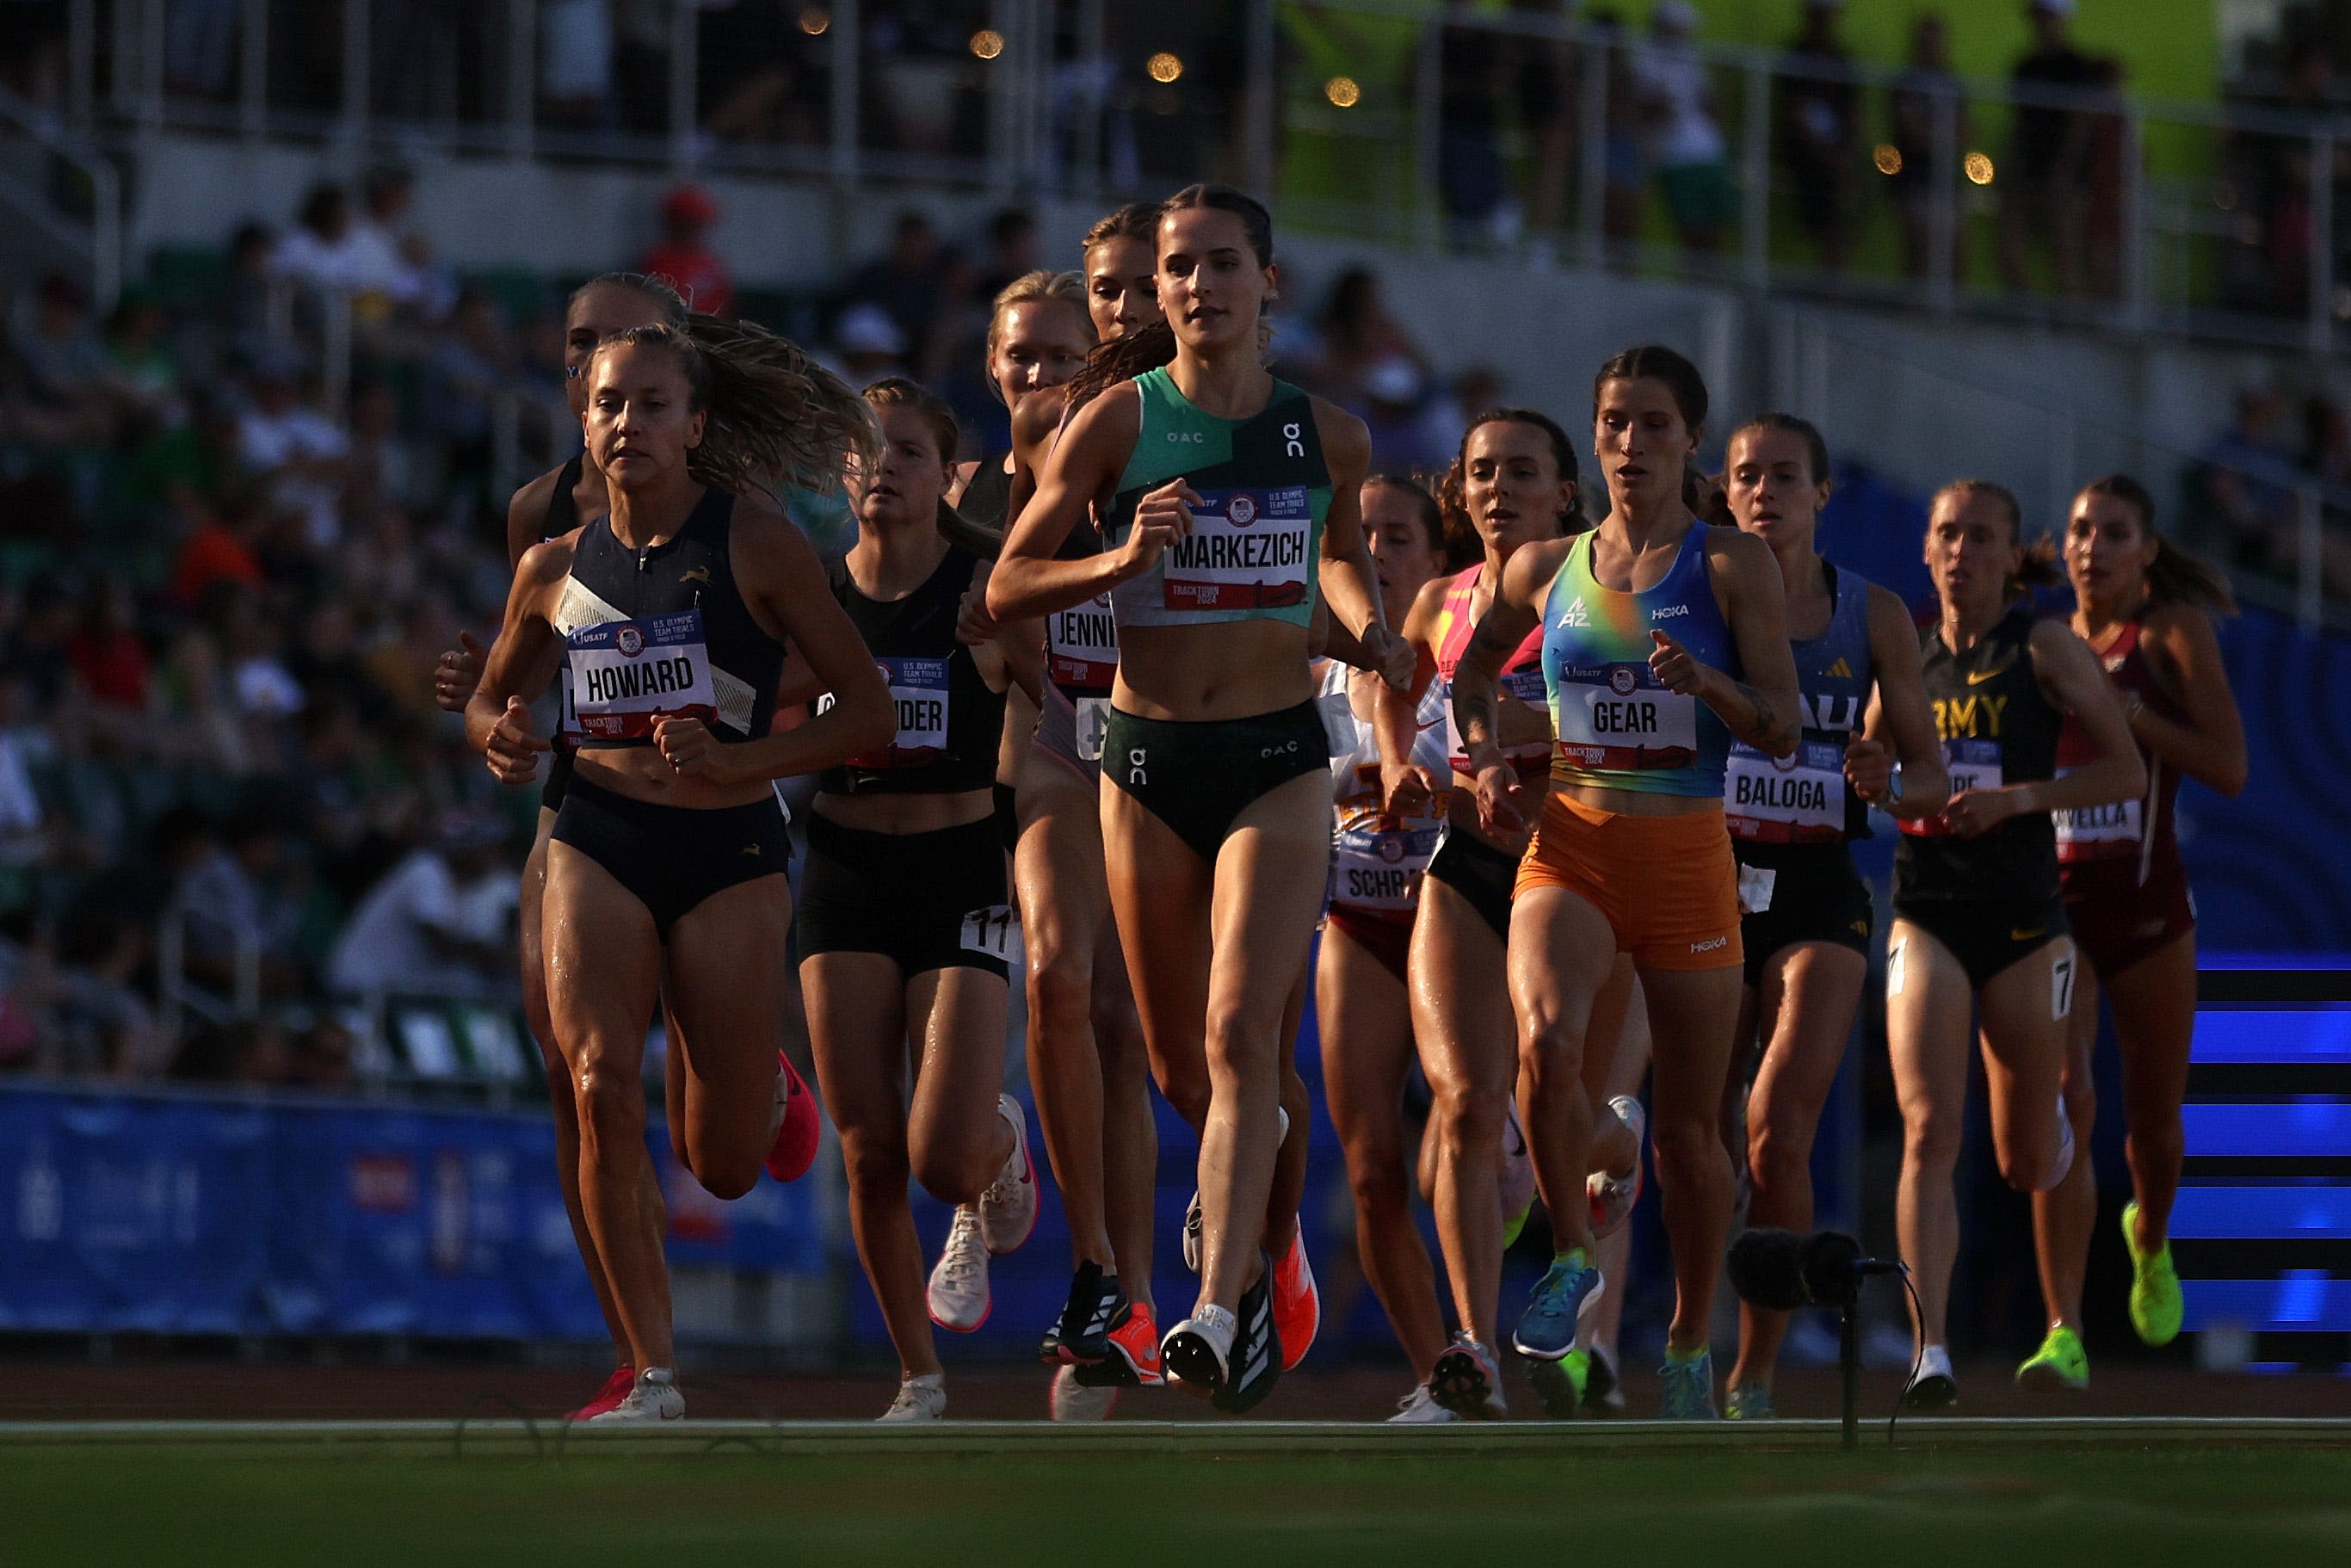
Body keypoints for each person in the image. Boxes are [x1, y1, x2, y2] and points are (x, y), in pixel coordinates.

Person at [991, 184, 1413, 1414]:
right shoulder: (1116, 425)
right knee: (1183, 1067)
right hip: (1144, 764)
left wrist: (1372, 632)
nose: (1197, 285)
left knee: (1242, 1036)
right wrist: (1122, 556)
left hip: (1276, 758)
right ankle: (1270, 1237)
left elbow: (1333, 555)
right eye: (1179, 267)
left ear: (1266, 282)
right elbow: (1014, 579)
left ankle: (1218, 1309)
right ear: (1160, 286)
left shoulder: (1325, 435)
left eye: (1224, 263)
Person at [465, 319, 892, 1423]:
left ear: (696, 425)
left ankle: (766, 1089)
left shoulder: (754, 543)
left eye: (652, 405)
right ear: (584, 419)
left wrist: (741, 756)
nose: (626, 424)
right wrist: (497, 735)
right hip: (596, 832)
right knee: (598, 1079)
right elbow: (493, 694)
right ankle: (652, 1374)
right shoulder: (553, 566)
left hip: (728, 845)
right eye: (608, 404)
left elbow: (868, 712)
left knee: (727, 1160)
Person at [1451, 345, 1801, 1419]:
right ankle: (1568, 1253)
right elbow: (1470, 670)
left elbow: (1783, 731)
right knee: (1546, 1050)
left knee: (1695, 1138)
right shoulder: (1539, 568)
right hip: (1572, 848)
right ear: (1592, 436)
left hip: (1690, 862)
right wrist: (1481, 758)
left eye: (1653, 424)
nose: (1629, 443)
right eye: (1612, 423)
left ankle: (1690, 1338)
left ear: (1689, 439)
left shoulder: (1732, 566)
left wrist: (1711, 687)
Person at [1377, 407, 1645, 1421]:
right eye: (1480, 471)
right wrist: (1400, 764)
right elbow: (1393, 696)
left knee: (1560, 1110)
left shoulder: (1596, 588)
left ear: (1563, 494)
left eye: (1520, 472)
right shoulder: (1441, 602)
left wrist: (1527, 733)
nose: (1495, 488)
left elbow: (1639, 721)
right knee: (1461, 1106)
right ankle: (1470, 1352)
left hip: (1576, 872)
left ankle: (1613, 1145)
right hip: (1466, 867)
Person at [798, 378, 1038, 1423]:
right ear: (840, 470)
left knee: (941, 1157)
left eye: (907, 451)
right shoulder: (807, 596)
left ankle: (997, 1137)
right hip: (844, 875)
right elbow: (758, 717)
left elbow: (1058, 699)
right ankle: (917, 1376)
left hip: (959, 870)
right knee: (866, 1145)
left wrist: (1010, 650)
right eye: (866, 450)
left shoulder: (981, 585)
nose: (883, 467)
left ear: (949, 477)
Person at [1890, 478, 2144, 1410]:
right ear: (1925, 548)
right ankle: (1930, 1350)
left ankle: (2062, 1314)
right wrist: (1877, 777)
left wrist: (2016, 801)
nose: (1960, 551)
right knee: (1926, 1126)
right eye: (1945, 534)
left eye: (1979, 537)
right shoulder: (1904, 651)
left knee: (2027, 1154)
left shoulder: (2040, 645)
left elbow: (2119, 766)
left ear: (2009, 555)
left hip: (2025, 921)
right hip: (1926, 909)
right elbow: (1878, 774)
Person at [1714, 415, 1950, 1418]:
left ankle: (1754, 1370)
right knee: (1694, 1137)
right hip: (1702, 881)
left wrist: (1886, 778)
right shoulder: (1689, 600)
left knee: (1775, 1134)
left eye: (1783, 477)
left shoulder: (1875, 614)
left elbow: (1929, 775)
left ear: (1822, 495)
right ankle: (1679, 1333)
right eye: (1744, 477)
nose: (1763, 493)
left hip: (1817, 888)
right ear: (1722, 496)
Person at [995, 207, 1170, 1423]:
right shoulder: (979, 481)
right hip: (1060, 746)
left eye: (1065, 352)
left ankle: (1150, 1288)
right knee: (1060, 984)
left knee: (1138, 1031)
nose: (1048, 374)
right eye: (1024, 359)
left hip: (1179, 748)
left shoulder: (1179, 430)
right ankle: (1099, 1282)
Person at [2026, 475, 2245, 1390]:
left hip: (2151, 910)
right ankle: (2061, 1328)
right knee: (2064, 1102)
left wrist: (2135, 718)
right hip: (2056, 912)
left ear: (2145, 550)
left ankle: (2148, 1239)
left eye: (2113, 533)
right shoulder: (2036, 642)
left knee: (2151, 1125)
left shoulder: (2166, 635)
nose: (2091, 548)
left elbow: (2227, 767)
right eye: (2079, 530)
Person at [1316, 474, 1459, 1417]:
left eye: (1396, 535)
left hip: (1460, 923)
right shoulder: (1309, 668)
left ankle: (1572, 1143)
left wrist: (1437, 787)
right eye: (1358, 535)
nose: (1374, 551)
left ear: (1437, 561)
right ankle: (1439, 1374)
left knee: (1462, 1144)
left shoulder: (1470, 660)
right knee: (1369, 1168)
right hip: (1358, 920)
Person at [1997, 0, 2099, 298]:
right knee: (2009, 244)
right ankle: (2028, 312)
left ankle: (2070, 321)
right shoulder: (2025, 67)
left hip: (2067, 178)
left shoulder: (2079, 67)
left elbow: (2082, 122)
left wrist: (2065, 168)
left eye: (2047, 16)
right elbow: (2019, 122)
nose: (2041, 24)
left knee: (2066, 250)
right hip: (2028, 172)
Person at [1777, 2, 1859, 275]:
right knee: (1828, 221)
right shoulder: (1795, 58)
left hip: (1838, 155)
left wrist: (1846, 153)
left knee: (1843, 220)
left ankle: (1835, 284)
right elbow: (1793, 112)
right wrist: (1827, 154)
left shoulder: (1842, 60)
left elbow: (1853, 114)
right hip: (1807, 157)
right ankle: (1827, 285)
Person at [642, 185, 736, 318]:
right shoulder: (658, 262)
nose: (694, 230)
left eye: (698, 223)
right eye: (688, 223)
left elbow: (723, 305)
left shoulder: (712, 265)